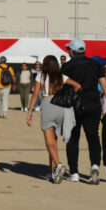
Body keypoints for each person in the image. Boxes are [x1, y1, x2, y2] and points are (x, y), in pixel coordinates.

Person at [61, 39, 106, 184]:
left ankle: (74, 173)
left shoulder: (67, 66)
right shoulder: (95, 64)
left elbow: (61, 87)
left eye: (68, 49)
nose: (68, 51)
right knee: (93, 137)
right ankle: (94, 168)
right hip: (93, 104)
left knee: (73, 138)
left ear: (72, 51)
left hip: (73, 105)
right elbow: (105, 86)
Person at [26, 55, 74, 183]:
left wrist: (30, 111)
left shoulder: (41, 75)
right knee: (54, 141)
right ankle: (52, 171)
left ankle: (58, 164)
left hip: (48, 105)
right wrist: (68, 96)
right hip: (61, 106)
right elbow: (77, 86)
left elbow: (35, 94)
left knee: (49, 141)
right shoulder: (61, 76)